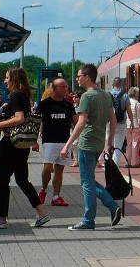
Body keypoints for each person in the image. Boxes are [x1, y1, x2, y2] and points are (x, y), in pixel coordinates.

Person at [0, 67, 50, 229]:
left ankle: (1, 219)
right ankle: (41, 213)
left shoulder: (15, 95)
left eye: (7, 78)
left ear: (14, 79)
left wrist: (0, 125)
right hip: (21, 145)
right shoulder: (24, 95)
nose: (5, 80)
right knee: (22, 180)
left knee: (2, 182)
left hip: (9, 144)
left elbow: (19, 118)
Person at [60, 64, 122, 231]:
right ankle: (110, 207)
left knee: (87, 183)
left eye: (79, 76)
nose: (77, 79)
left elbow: (80, 124)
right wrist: (110, 143)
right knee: (89, 180)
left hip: (87, 143)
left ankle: (91, 219)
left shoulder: (87, 96)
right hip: (99, 143)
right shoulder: (105, 95)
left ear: (87, 77)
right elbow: (113, 119)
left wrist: (67, 145)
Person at [34, 78, 78, 207]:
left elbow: (76, 122)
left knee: (59, 169)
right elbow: (36, 123)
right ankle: (43, 189)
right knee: (47, 167)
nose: (66, 89)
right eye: (62, 86)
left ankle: (56, 196)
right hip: (49, 141)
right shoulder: (45, 104)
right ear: (54, 88)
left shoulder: (68, 105)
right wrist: (33, 141)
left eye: (66, 86)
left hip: (64, 142)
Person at [106, 77, 134, 165]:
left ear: (112, 85)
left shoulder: (108, 95)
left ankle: (107, 162)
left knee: (108, 142)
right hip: (121, 123)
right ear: (121, 85)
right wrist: (132, 122)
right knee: (118, 146)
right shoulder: (125, 95)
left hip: (109, 123)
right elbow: (129, 111)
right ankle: (115, 165)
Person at [125, 87, 140, 167]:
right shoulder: (137, 103)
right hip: (135, 126)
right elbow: (139, 117)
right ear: (135, 94)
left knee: (129, 144)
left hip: (127, 125)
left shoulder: (126, 102)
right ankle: (135, 162)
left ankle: (128, 162)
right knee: (135, 143)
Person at [70, 90, 83, 167]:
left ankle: (79, 160)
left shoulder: (82, 106)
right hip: (73, 127)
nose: (74, 99)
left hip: (80, 128)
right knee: (74, 144)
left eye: (76, 97)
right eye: (73, 97)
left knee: (77, 143)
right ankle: (76, 160)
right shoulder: (73, 106)